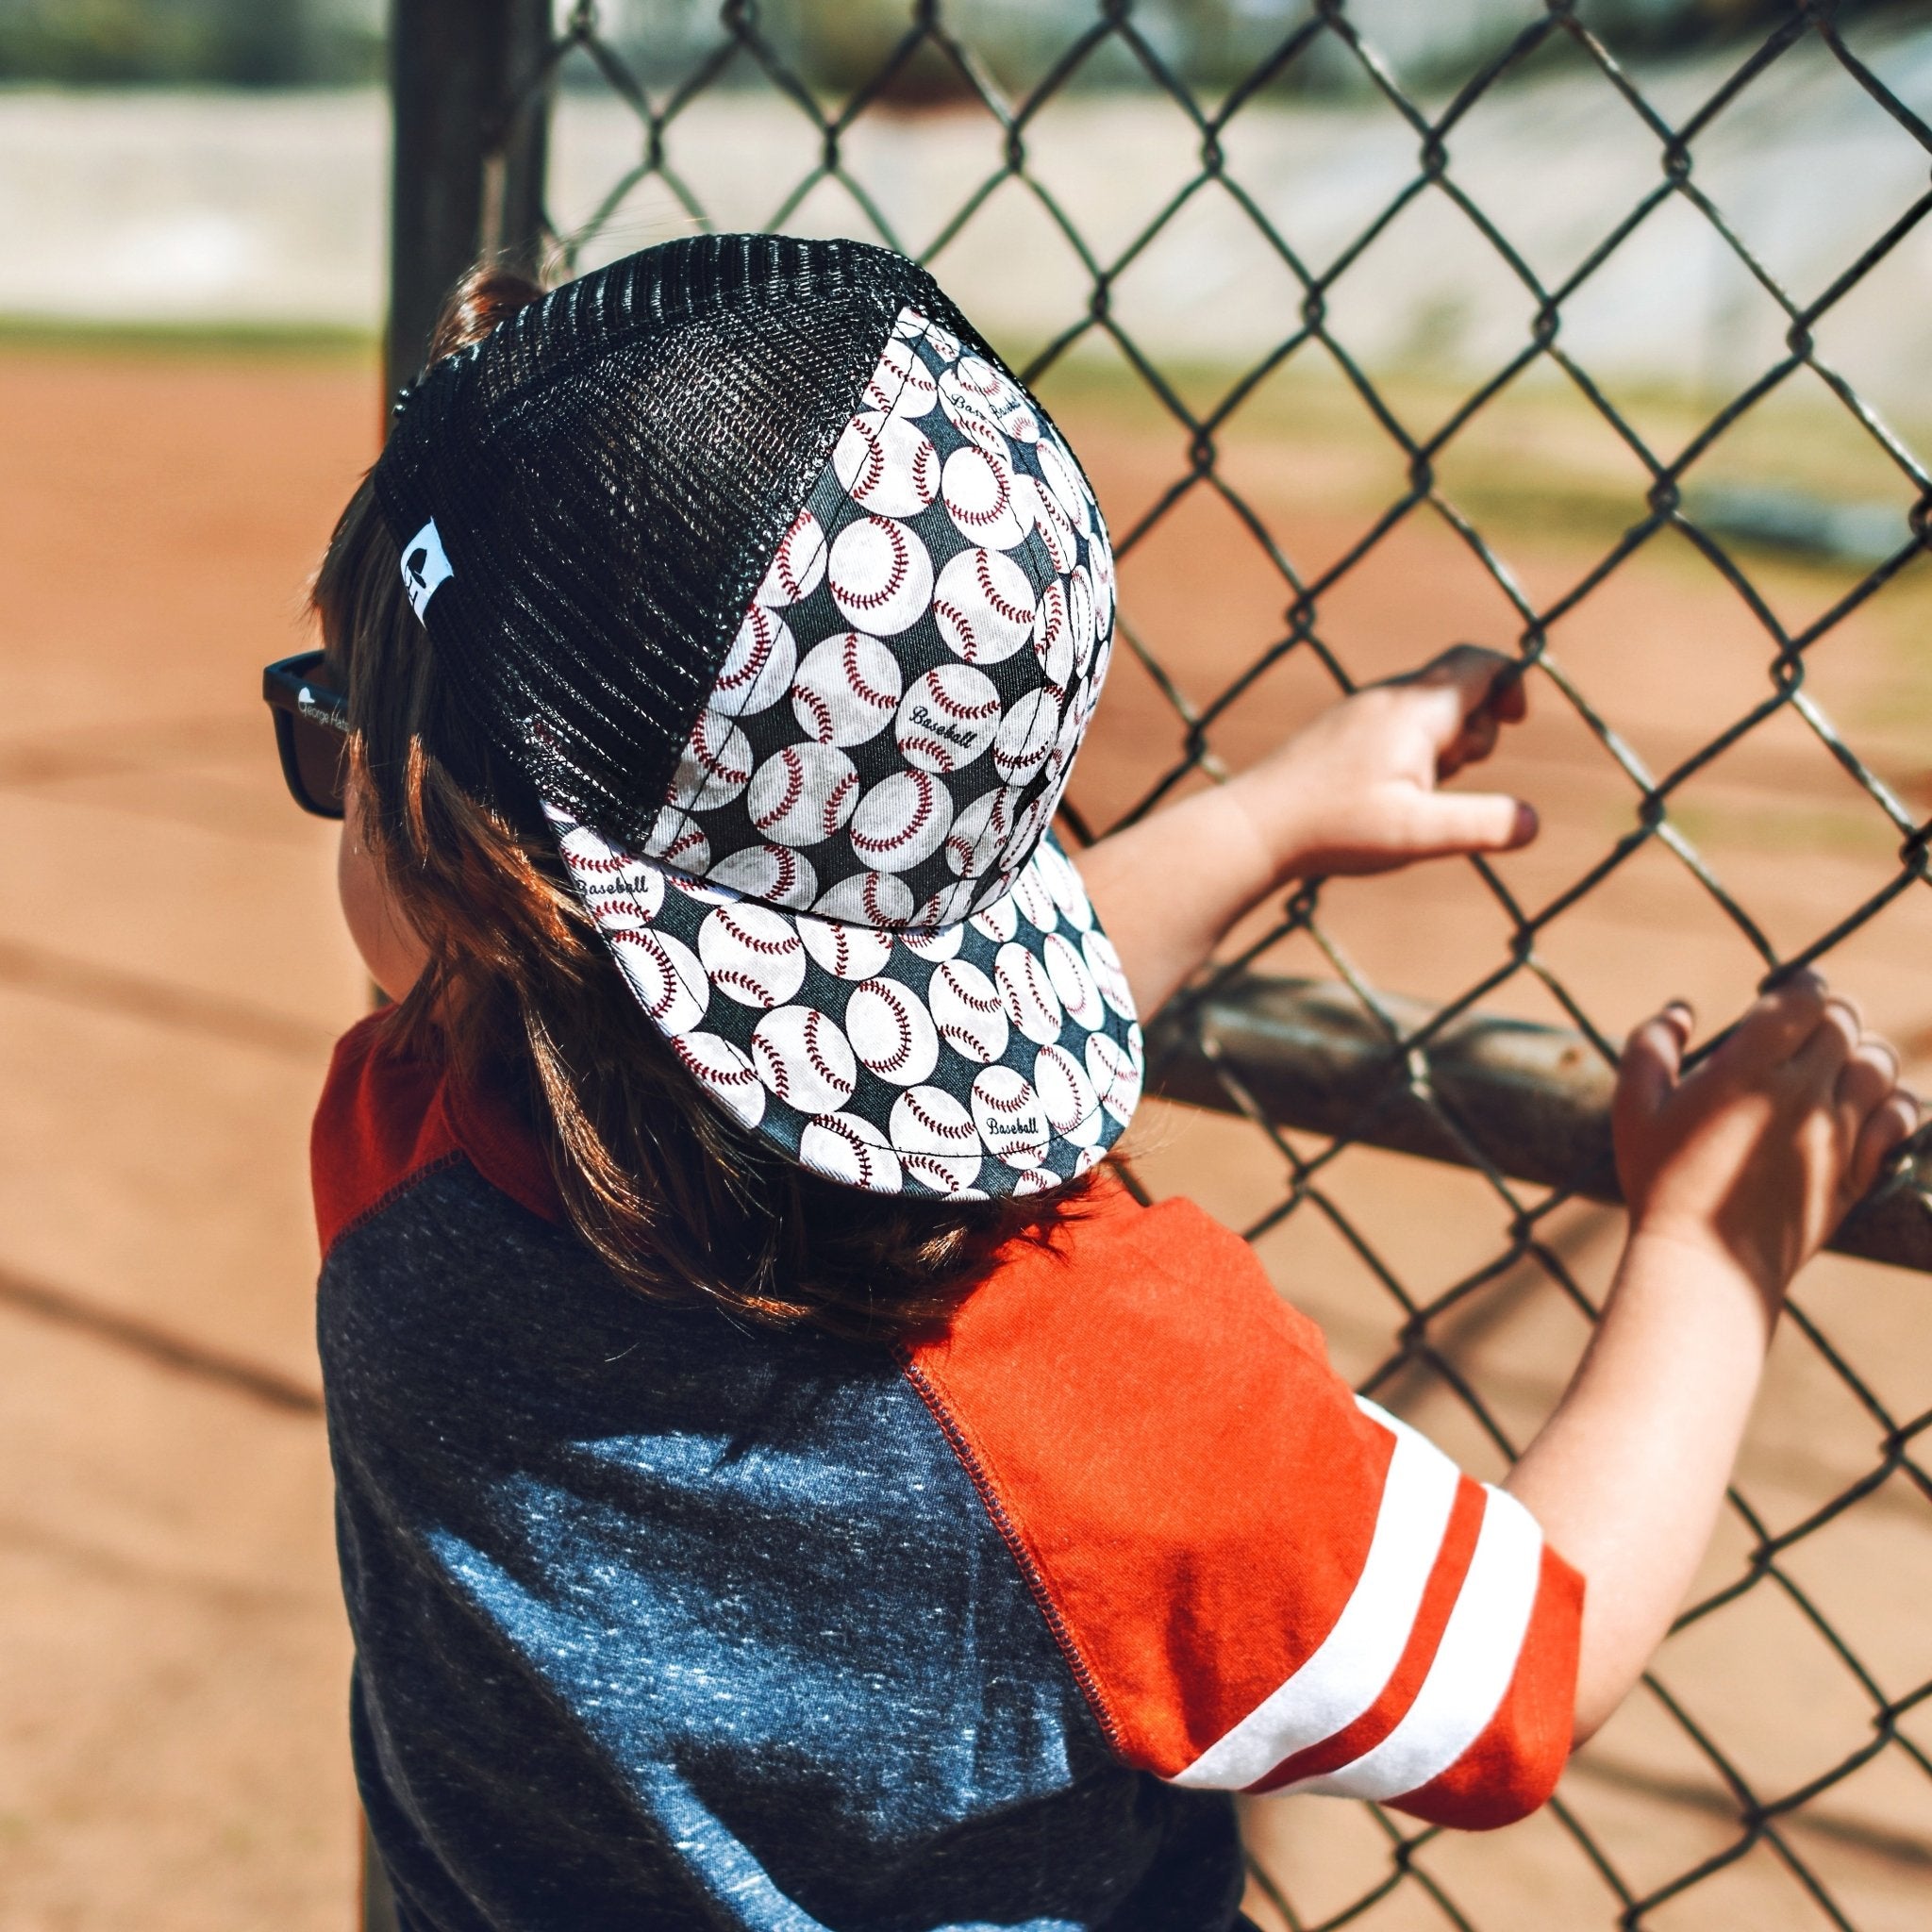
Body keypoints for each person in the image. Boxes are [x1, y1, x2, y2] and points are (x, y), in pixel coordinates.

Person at [269, 236, 1917, 1932]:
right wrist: (1718, 1249)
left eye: (336, 730)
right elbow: (1523, 1671)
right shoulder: (1105, 1399)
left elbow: (724, 1050)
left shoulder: (400, 1149)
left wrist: (1264, 823)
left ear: (485, 883)